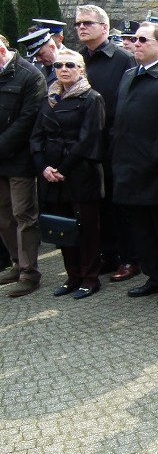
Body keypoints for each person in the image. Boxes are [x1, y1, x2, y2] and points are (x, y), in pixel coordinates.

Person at [111, 22, 158, 306]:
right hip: (129, 168)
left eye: (143, 39)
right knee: (141, 231)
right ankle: (154, 277)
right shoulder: (128, 75)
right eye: (134, 39)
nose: (136, 43)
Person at [30, 48, 106, 299]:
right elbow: (36, 137)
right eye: (60, 65)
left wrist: (63, 169)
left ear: (81, 70)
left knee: (87, 228)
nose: (63, 69)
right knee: (61, 228)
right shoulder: (49, 99)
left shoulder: (91, 98)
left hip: (80, 172)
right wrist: (44, 167)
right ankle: (72, 276)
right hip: (52, 175)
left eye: (70, 66)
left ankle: (90, 277)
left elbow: (89, 139)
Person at [75, 4, 138, 282]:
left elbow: (131, 101)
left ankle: (130, 258)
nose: (81, 27)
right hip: (84, 147)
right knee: (96, 206)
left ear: (104, 27)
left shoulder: (123, 59)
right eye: (78, 24)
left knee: (119, 205)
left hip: (114, 143)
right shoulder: (76, 59)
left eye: (87, 23)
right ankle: (107, 255)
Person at [0, 34, 46, 297]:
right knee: (3, 216)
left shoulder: (29, 75)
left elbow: (28, 119)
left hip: (19, 159)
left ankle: (30, 273)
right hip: (1, 161)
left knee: (23, 216)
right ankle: (17, 263)